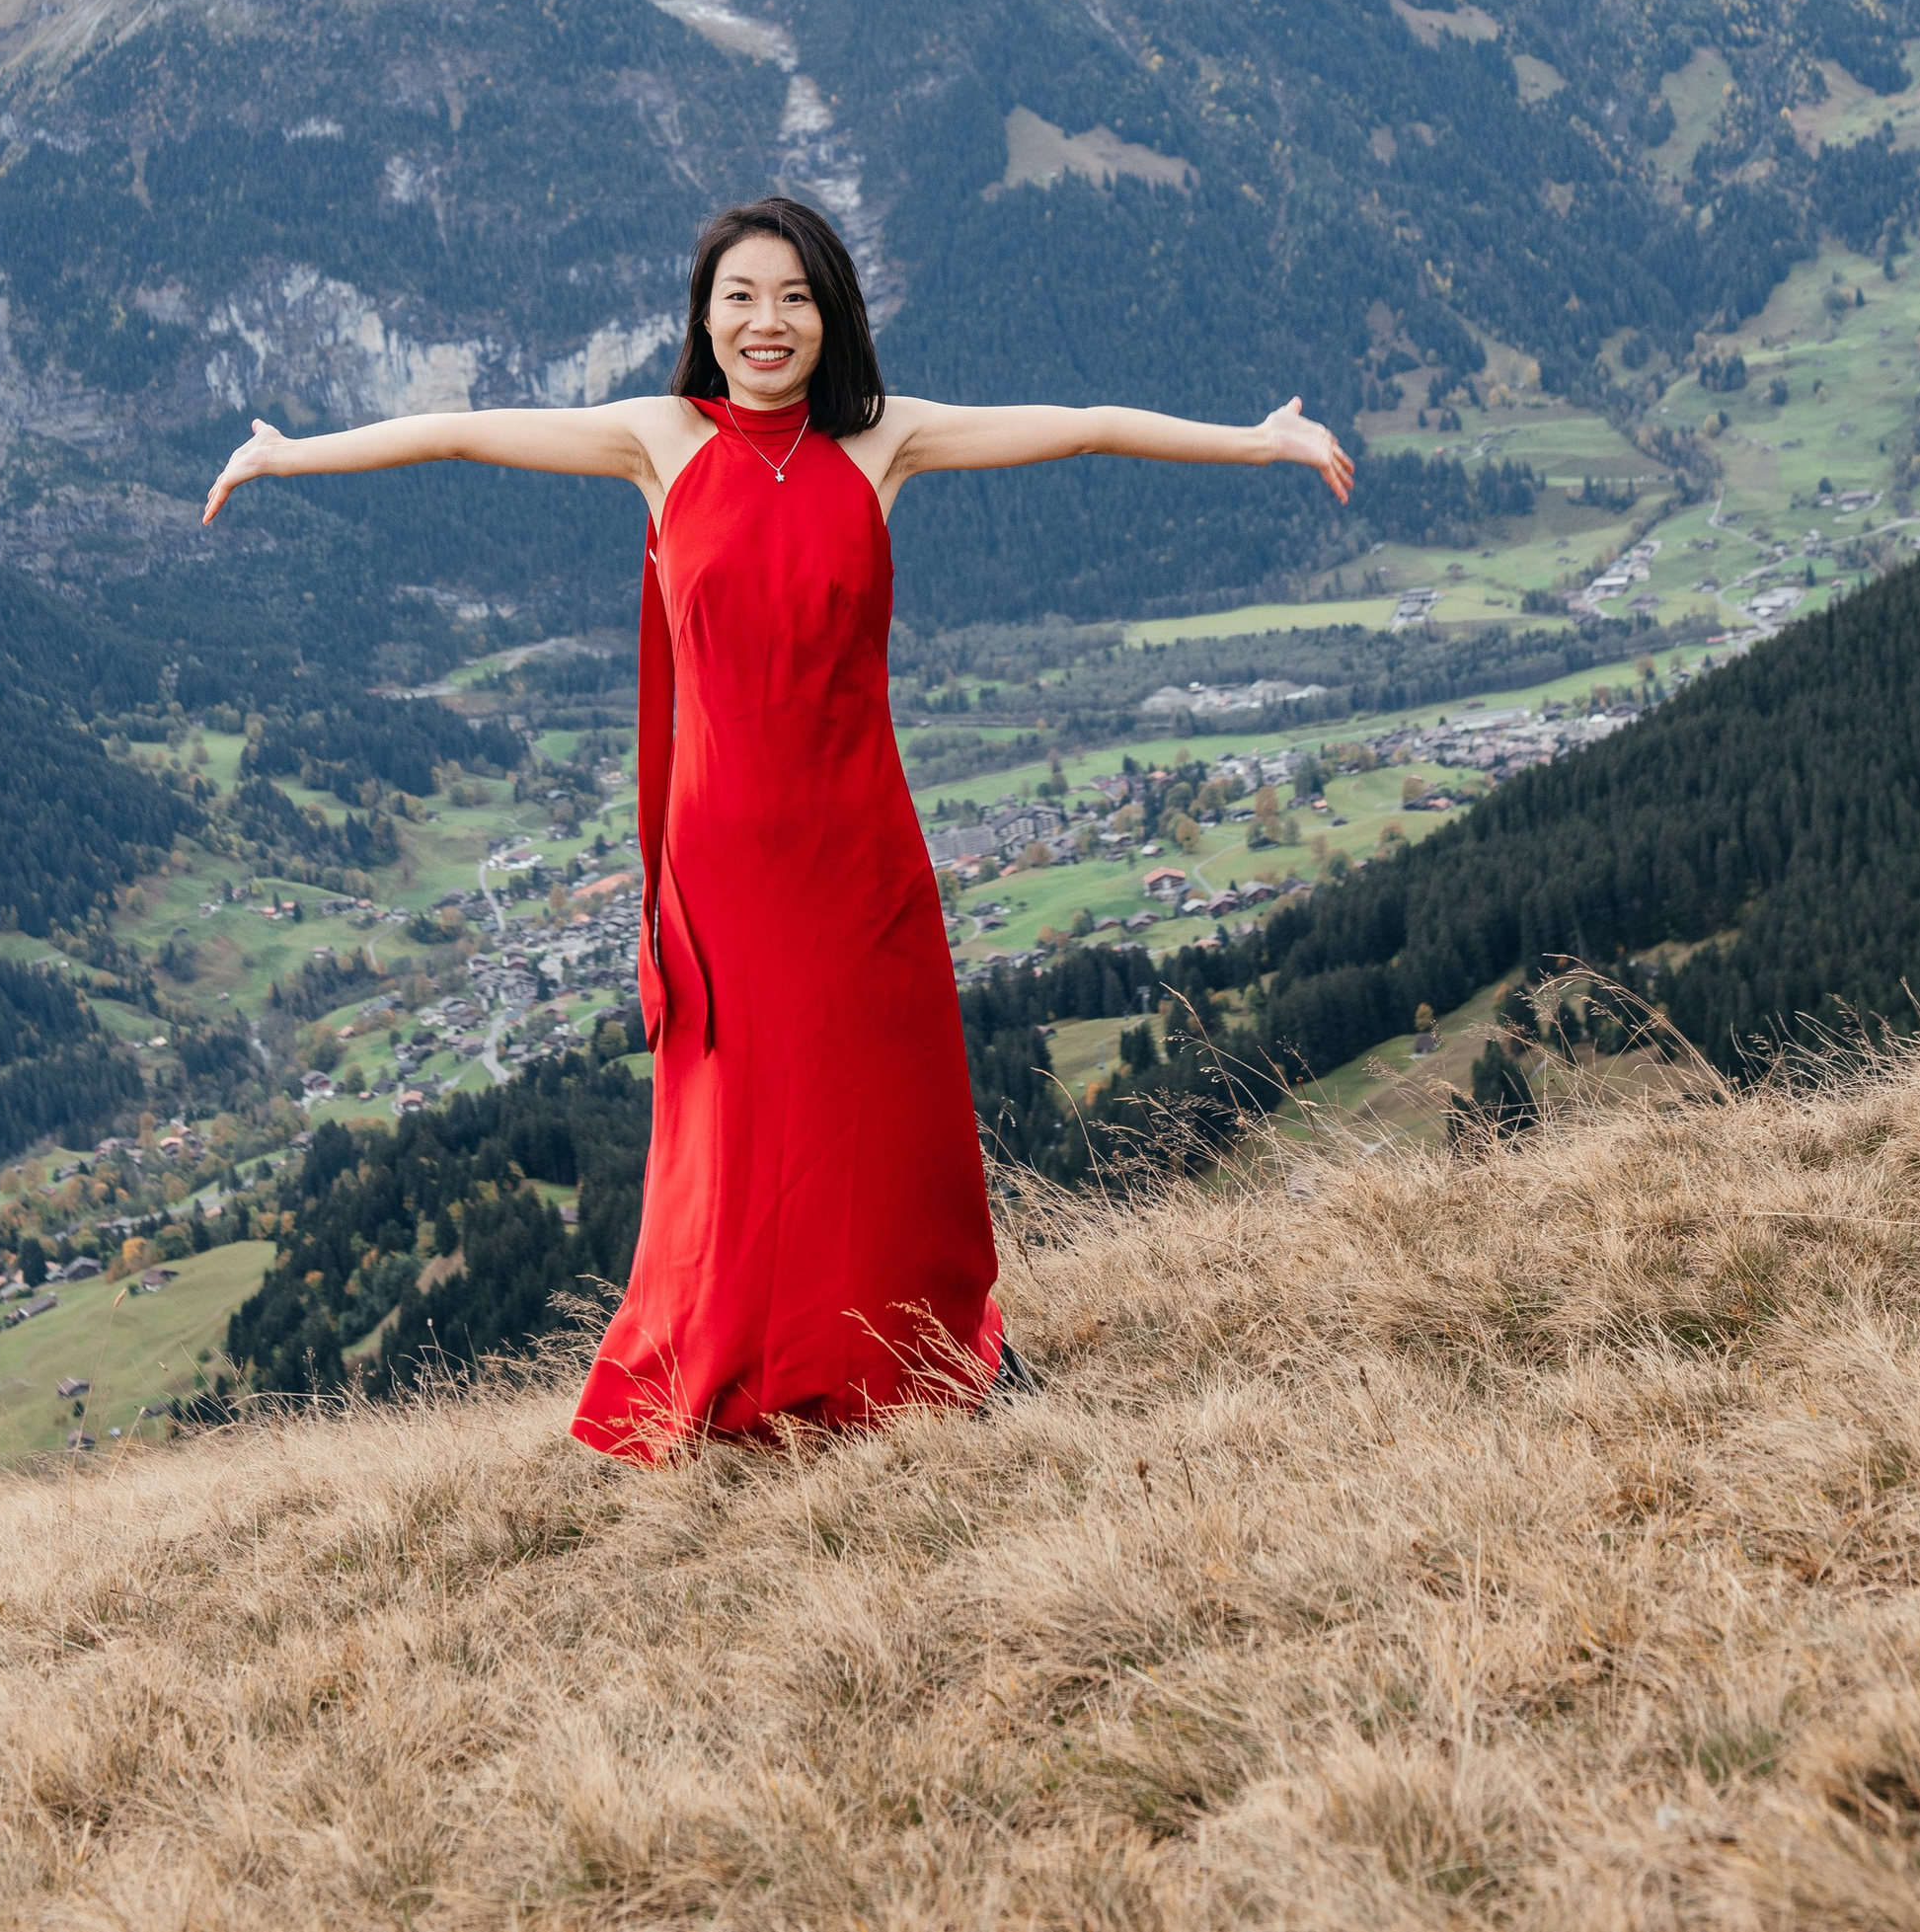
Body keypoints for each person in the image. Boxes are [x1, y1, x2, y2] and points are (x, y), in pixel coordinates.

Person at [202, 190, 1351, 1461]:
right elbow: (466, 434)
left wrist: (1258, 442)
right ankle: (745, 1370)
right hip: (723, 859)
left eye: (795, 296)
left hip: (859, 845)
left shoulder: (884, 442)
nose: (767, 321)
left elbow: (1077, 430)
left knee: (887, 1105)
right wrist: (289, 453)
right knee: (746, 1129)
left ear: (831, 316)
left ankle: (929, 1346)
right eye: (740, 297)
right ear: (705, 317)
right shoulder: (658, 441)